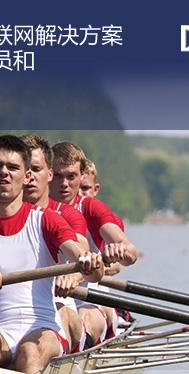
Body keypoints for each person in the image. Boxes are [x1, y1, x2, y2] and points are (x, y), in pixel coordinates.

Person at [0, 135, 103, 374]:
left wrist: (90, 262)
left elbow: (86, 264)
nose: (4, 172)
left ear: (26, 175)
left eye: (12, 167)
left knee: (29, 351)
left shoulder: (46, 220)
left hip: (44, 330)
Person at [49, 141, 137, 345]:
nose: (64, 184)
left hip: (90, 300)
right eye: (58, 176)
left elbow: (130, 253)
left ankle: (79, 348)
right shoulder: (33, 210)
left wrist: (120, 250)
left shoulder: (91, 208)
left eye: (71, 177)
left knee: (83, 317)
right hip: (46, 301)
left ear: (81, 177)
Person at [21, 134, 88, 353]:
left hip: (60, 305)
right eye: (25, 169)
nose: (29, 177)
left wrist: (72, 276)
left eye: (35, 170)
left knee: (61, 312)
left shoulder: (66, 215)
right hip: (15, 313)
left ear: (47, 174)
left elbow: (82, 254)